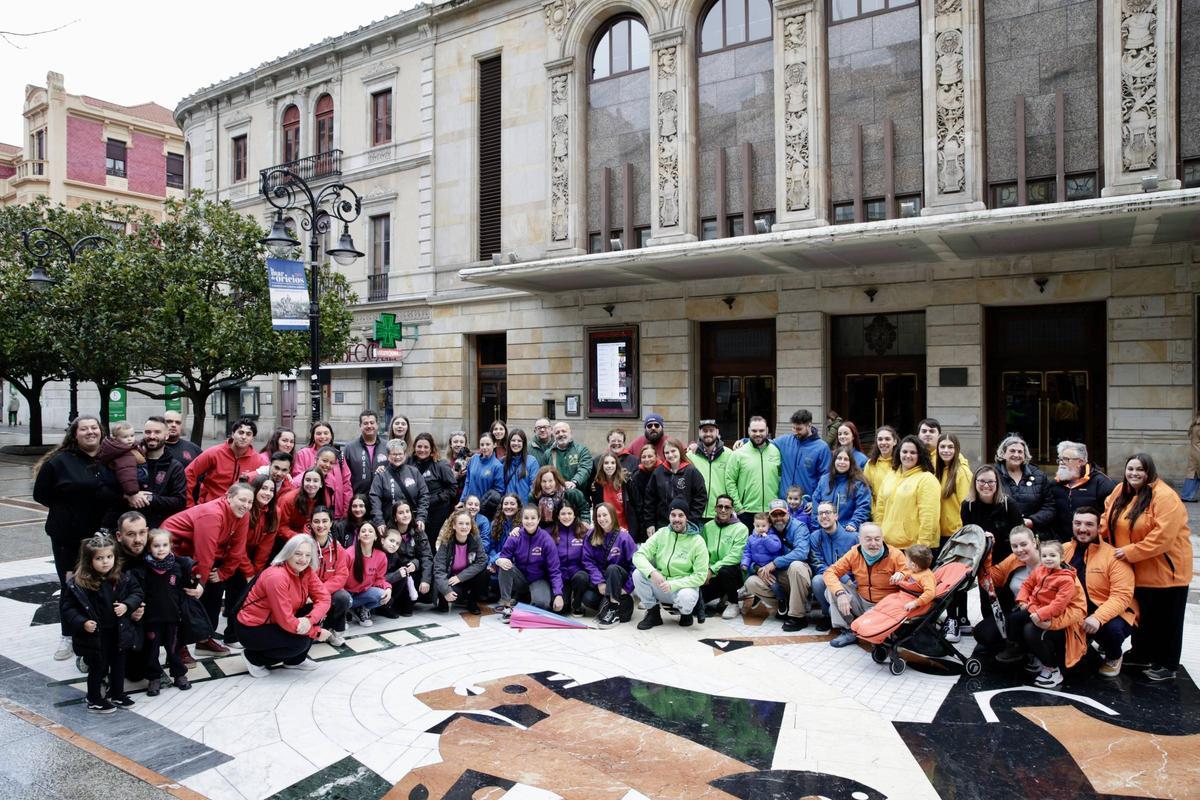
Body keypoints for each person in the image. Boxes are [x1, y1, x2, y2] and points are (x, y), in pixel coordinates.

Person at [34, 416, 122, 661]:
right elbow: (41, 494)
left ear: (101, 432)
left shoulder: (112, 460)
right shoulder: (59, 462)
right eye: (84, 429)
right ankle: (69, 635)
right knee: (71, 585)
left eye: (94, 428)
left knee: (101, 585)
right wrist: (68, 511)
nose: (90, 432)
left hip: (102, 537)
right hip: (68, 537)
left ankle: (96, 635)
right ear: (75, 434)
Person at [1101, 453, 1192, 682]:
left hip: (1166, 572)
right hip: (1135, 568)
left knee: (1168, 621)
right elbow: (1106, 518)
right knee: (1143, 616)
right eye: (1130, 469)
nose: (1134, 474)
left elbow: (1163, 537)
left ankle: (1167, 663)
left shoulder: (1165, 496)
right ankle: (1142, 654)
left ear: (1149, 471)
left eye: (1139, 469)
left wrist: (1129, 551)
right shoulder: (1120, 491)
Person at [163, 482, 256, 655]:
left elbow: (238, 548)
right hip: (172, 551)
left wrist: (224, 573)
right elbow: (204, 552)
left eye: (250, 502)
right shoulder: (212, 513)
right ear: (228, 497)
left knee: (215, 590)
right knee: (187, 596)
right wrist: (200, 582)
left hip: (199, 554)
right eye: (242, 500)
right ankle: (178, 646)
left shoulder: (243, 514)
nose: (246, 505)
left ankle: (204, 639)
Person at [60, 534, 143, 713]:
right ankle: (94, 698)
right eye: (99, 558)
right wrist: (83, 623)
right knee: (98, 667)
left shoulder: (122, 577)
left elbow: (137, 593)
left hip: (119, 631)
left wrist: (127, 606)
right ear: (89, 560)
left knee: (119, 665)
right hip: (95, 635)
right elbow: (68, 609)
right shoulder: (78, 584)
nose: (105, 562)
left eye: (109, 557)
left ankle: (117, 694)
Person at [236, 534, 332, 678]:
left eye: (307, 555)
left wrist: (309, 620)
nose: (303, 559)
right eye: (298, 554)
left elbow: (324, 598)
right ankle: (253, 658)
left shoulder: (306, 571)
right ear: (287, 553)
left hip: (277, 621)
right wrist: (316, 633)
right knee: (300, 642)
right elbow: (285, 621)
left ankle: (295, 661)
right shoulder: (276, 577)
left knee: (315, 613)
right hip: (253, 628)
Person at [1062, 506, 1137, 677]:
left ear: (1099, 528)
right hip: (1077, 609)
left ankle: (1114, 656)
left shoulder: (1114, 556)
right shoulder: (1063, 550)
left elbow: (1122, 596)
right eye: (1078, 523)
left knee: (1111, 630)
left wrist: (1098, 618)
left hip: (1111, 612)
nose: (1082, 529)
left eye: (1089, 524)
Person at [997, 539, 1081, 689]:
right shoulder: (1040, 570)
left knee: (1031, 631)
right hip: (1034, 608)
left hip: (1052, 616)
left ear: (1062, 558)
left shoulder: (1066, 579)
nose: (1048, 559)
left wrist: (1040, 614)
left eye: (1052, 555)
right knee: (1013, 620)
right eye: (1045, 556)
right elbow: (1027, 585)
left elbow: (1059, 605)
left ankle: (1052, 669)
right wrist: (1022, 600)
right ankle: (1025, 652)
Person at [822, 523, 907, 648]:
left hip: (885, 606)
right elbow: (830, 572)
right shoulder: (854, 553)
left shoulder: (895, 555)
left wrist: (902, 573)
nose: (873, 543)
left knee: (881, 637)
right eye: (868, 539)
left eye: (877, 539)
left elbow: (912, 573)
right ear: (860, 540)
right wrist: (840, 594)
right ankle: (848, 630)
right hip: (861, 601)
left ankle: (876, 632)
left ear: (882, 539)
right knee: (831, 590)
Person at [134, 529, 196, 695]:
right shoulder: (144, 569)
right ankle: (154, 677)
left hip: (173, 617)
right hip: (152, 618)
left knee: (174, 647)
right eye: (156, 545)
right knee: (152, 649)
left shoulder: (177, 567)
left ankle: (179, 674)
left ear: (170, 546)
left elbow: (183, 589)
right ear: (149, 548)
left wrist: (194, 584)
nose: (161, 549)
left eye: (164, 545)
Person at [632, 498, 710, 629]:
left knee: (686, 597)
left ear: (687, 517)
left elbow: (700, 576)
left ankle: (686, 613)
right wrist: (653, 573)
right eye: (673, 515)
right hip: (661, 583)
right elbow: (638, 555)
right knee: (637, 574)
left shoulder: (697, 541)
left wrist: (673, 584)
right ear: (669, 516)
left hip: (682, 587)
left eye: (681, 515)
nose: (677, 519)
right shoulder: (662, 533)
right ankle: (653, 613)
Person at [972, 527, 1044, 662]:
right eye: (1014, 546)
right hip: (1016, 611)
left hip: (1044, 613)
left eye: (1024, 544)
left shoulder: (1049, 559)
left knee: (1025, 625)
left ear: (1034, 542)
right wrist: (987, 551)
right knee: (982, 632)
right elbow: (989, 580)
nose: (1019, 550)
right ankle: (1020, 649)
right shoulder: (1014, 559)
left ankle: (1041, 656)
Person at [742, 500, 812, 631]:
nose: (779, 518)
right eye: (775, 515)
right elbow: (752, 553)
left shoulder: (799, 527)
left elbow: (802, 552)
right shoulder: (765, 529)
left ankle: (798, 616)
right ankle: (785, 607)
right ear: (770, 517)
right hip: (778, 576)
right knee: (751, 582)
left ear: (789, 513)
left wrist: (774, 563)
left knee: (796, 566)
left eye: (782, 514)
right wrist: (757, 568)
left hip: (797, 575)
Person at [495, 504, 564, 620]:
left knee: (541, 604)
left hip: (538, 579)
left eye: (533, 518)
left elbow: (554, 570)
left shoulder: (546, 540)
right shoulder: (515, 537)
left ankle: (524, 599)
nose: (529, 521)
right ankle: (506, 604)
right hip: (520, 578)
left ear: (538, 519)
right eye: (526, 518)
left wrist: (558, 594)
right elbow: (504, 556)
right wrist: (498, 560)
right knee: (504, 563)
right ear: (521, 519)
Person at [935, 433, 972, 639]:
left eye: (950, 447)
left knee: (952, 582)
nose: (946, 450)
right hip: (943, 534)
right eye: (943, 447)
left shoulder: (961, 472)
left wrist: (962, 534)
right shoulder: (940, 471)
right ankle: (963, 619)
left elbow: (967, 506)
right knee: (955, 581)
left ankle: (954, 622)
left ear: (956, 449)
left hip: (956, 536)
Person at [582, 502, 638, 627]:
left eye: (605, 515)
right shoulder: (591, 535)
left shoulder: (624, 537)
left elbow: (636, 564)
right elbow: (587, 561)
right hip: (603, 583)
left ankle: (613, 609)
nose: (602, 519)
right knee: (588, 599)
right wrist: (599, 582)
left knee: (612, 569)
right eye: (598, 516)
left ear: (612, 515)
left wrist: (627, 588)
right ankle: (617, 604)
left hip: (619, 580)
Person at [125, 417, 187, 529]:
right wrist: (128, 496)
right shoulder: (130, 460)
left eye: (157, 432)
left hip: (161, 532)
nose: (152, 436)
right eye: (148, 432)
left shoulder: (175, 467)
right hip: (132, 529)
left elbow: (180, 502)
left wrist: (150, 498)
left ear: (166, 435)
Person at [880, 436, 940, 550]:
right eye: (904, 451)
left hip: (914, 549)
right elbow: (880, 509)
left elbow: (929, 516)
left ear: (920, 455)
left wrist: (922, 545)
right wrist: (878, 535)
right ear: (899, 453)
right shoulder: (890, 475)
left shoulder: (927, 479)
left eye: (913, 452)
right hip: (888, 545)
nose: (908, 455)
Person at [1049, 441, 1116, 542]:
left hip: (1093, 543)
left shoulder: (1102, 483)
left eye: (1066, 459)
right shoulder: (1054, 484)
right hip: (1062, 546)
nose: (1061, 462)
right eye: (1060, 459)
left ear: (1080, 462)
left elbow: (1111, 515)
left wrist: (1097, 536)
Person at [184, 418, 259, 506]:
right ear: (233, 434)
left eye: (248, 434)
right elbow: (189, 473)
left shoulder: (258, 460)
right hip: (210, 507)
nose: (243, 437)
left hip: (240, 510)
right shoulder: (214, 453)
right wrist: (189, 504)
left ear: (253, 438)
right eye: (240, 432)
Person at [808, 501, 858, 631]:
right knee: (817, 580)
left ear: (836, 516)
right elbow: (817, 563)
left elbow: (858, 565)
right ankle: (827, 614)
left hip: (850, 583)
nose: (824, 516)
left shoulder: (852, 537)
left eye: (827, 512)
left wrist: (847, 579)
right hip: (829, 579)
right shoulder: (815, 537)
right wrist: (839, 577)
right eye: (820, 513)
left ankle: (849, 618)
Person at [960, 464, 1026, 563]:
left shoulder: (1009, 504)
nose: (986, 485)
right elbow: (967, 535)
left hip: (1006, 559)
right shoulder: (967, 505)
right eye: (982, 481)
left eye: (990, 481)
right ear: (975, 482)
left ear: (997, 483)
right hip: (979, 559)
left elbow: (1020, 532)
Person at [698, 494, 749, 620]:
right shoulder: (708, 526)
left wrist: (712, 569)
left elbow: (735, 557)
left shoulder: (741, 528)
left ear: (732, 510)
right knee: (695, 602)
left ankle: (733, 602)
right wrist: (703, 570)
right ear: (715, 508)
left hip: (732, 573)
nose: (723, 510)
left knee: (725, 570)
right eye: (720, 506)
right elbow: (701, 552)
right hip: (710, 574)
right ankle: (722, 594)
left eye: (727, 507)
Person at [995, 434, 1055, 539]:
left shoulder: (1039, 476)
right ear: (1003, 454)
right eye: (1012, 451)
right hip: (1002, 535)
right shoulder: (992, 475)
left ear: (1025, 455)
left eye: (1020, 452)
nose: (1016, 455)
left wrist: (1032, 521)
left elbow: (1049, 506)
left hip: (1033, 534)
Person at [726, 416, 782, 529]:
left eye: (761, 430)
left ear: (767, 430)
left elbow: (780, 477)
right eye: (754, 431)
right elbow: (730, 481)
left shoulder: (776, 451)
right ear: (748, 431)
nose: (758, 434)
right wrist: (738, 508)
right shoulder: (738, 453)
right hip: (747, 512)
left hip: (772, 510)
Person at [307, 507, 351, 647]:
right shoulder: (305, 546)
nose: (321, 525)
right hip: (307, 592)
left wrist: (321, 590)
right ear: (311, 524)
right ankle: (311, 631)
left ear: (331, 523)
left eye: (325, 521)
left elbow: (341, 576)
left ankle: (333, 632)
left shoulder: (338, 549)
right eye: (317, 521)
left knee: (343, 597)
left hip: (327, 591)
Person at [644, 438, 707, 534]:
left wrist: (690, 519)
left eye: (673, 451)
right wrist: (650, 523)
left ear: (680, 451)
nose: (670, 455)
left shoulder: (691, 471)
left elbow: (701, 497)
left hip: (686, 525)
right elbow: (650, 500)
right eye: (667, 452)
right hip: (663, 524)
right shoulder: (658, 473)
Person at [433, 509, 490, 614]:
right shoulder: (446, 542)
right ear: (454, 525)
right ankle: (443, 598)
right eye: (460, 523)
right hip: (451, 579)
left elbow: (482, 561)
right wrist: (446, 590)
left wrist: (461, 577)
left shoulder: (476, 538)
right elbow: (438, 569)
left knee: (484, 573)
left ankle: (472, 601)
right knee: (448, 591)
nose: (464, 527)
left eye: (467, 523)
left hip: (466, 578)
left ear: (471, 525)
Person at [369, 439, 430, 535]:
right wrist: (379, 521)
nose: (397, 457)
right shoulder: (381, 475)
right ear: (388, 456)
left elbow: (424, 495)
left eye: (400, 454)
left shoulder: (414, 472)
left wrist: (421, 517)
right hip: (389, 523)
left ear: (405, 455)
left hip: (412, 523)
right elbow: (375, 498)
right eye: (394, 454)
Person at [382, 502, 433, 615]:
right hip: (395, 574)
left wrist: (425, 579)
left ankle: (411, 600)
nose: (405, 515)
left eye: (407, 511)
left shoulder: (418, 532)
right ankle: (390, 603)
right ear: (395, 517)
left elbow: (426, 557)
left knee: (430, 574)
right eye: (401, 513)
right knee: (401, 578)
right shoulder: (389, 533)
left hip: (413, 572)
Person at [411, 433, 459, 550]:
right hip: (415, 509)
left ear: (432, 449)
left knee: (429, 542)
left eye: (426, 447)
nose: (422, 450)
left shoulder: (441, 465)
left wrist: (437, 498)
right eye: (419, 446)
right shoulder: (409, 464)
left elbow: (452, 488)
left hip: (436, 511)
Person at [774, 409, 831, 500]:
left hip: (806, 505)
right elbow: (765, 444)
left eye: (799, 429)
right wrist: (746, 441)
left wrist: (815, 502)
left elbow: (826, 479)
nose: (795, 432)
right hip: (785, 503)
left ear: (809, 425)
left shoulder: (822, 448)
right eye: (793, 428)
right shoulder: (784, 441)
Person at [811, 446, 871, 532]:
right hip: (824, 530)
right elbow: (816, 502)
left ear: (851, 463)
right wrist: (816, 526)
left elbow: (863, 506)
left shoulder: (859, 483)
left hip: (847, 530)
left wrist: (854, 523)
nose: (842, 462)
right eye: (839, 458)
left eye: (846, 459)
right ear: (834, 461)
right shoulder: (824, 480)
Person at [343, 522, 392, 627]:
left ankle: (362, 610)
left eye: (370, 531)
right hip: (346, 592)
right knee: (346, 600)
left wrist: (388, 588)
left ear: (375, 537)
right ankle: (342, 613)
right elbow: (339, 578)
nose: (366, 533)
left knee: (382, 595)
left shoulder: (381, 556)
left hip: (363, 593)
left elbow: (380, 579)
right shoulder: (348, 554)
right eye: (363, 531)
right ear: (359, 536)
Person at [687, 419, 734, 521]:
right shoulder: (690, 455)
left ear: (717, 433)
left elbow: (733, 482)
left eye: (711, 430)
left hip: (720, 512)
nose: (708, 434)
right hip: (696, 512)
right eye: (704, 431)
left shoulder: (729, 454)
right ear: (699, 433)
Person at [550, 504, 589, 615]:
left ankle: (577, 604)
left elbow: (601, 533)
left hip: (578, 575)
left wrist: (620, 530)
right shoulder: (551, 533)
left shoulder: (584, 531)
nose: (566, 517)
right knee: (560, 610)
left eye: (569, 513)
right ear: (557, 516)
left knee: (582, 577)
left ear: (575, 515)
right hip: (560, 577)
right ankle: (566, 599)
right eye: (563, 514)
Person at [295, 445, 353, 518]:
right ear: (316, 460)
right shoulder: (300, 480)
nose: (327, 465)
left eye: (331, 463)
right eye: (324, 461)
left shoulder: (332, 480)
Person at [590, 451, 640, 535]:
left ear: (617, 465)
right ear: (602, 465)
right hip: (606, 531)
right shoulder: (597, 486)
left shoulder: (626, 482)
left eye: (613, 463)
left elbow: (637, 506)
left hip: (626, 531)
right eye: (606, 463)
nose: (609, 466)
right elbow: (597, 510)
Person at [343, 411, 389, 497]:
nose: (369, 426)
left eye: (372, 423)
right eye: (365, 423)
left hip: (382, 497)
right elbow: (345, 476)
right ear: (360, 426)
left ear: (377, 425)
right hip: (358, 499)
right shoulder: (350, 448)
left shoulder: (387, 446)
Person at [97, 421, 145, 502]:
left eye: (132, 436)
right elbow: (127, 473)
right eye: (125, 437)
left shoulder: (127, 447)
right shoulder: (124, 454)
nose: (130, 439)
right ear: (115, 438)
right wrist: (132, 491)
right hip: (132, 491)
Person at [741, 513, 783, 601]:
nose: (760, 528)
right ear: (754, 525)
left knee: (774, 585)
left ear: (769, 525)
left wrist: (766, 538)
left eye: (763, 526)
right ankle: (752, 594)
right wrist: (745, 563)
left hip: (771, 569)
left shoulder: (773, 536)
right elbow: (747, 552)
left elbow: (775, 548)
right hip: (757, 567)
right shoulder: (751, 538)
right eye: (758, 526)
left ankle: (781, 599)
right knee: (747, 578)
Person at [244, 474, 280, 574]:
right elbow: (238, 546)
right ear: (254, 489)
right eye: (264, 488)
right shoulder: (245, 509)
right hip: (235, 558)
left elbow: (265, 548)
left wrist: (255, 572)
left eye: (271, 490)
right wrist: (248, 572)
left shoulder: (275, 512)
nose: (268, 493)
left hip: (253, 560)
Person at [278, 469, 329, 539]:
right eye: (308, 480)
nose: (311, 484)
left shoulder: (323, 499)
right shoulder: (289, 499)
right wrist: (302, 538)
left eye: (315, 481)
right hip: (287, 540)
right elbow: (281, 527)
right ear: (303, 482)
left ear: (321, 484)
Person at [459, 433, 504, 511]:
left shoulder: (498, 466)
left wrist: (481, 505)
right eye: (482, 444)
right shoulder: (473, 459)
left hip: (485, 509)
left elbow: (499, 491)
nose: (484, 447)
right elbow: (467, 482)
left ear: (494, 445)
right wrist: (462, 500)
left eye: (488, 444)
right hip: (469, 506)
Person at [863, 425, 899, 520]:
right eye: (880, 439)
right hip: (877, 515)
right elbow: (867, 492)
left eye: (887, 439)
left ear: (894, 441)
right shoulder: (870, 464)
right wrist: (875, 513)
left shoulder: (902, 464)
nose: (883, 442)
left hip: (898, 514)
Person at [548, 421, 593, 494]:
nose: (561, 434)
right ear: (554, 436)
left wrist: (574, 482)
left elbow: (585, 469)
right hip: (556, 496)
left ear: (570, 433)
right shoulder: (548, 453)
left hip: (579, 495)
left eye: (564, 431)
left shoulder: (582, 450)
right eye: (557, 432)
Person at [890, 544, 936, 613]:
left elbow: (930, 593)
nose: (905, 562)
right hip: (906, 594)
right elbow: (909, 575)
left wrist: (915, 603)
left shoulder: (926, 577)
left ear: (913, 565)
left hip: (914, 599)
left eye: (906, 560)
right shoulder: (914, 571)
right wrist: (901, 576)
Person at [628, 444, 660, 542]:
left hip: (662, 519)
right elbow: (638, 505)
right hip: (644, 522)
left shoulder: (663, 472)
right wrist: (646, 524)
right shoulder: (636, 477)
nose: (647, 459)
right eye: (643, 457)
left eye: (650, 456)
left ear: (656, 456)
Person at [502, 429, 541, 504]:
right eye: (513, 440)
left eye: (519, 441)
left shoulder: (532, 461)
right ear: (509, 442)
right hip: (508, 506)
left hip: (525, 507)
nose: (516, 443)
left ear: (524, 443)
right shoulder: (503, 461)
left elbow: (534, 486)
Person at [446, 430, 472, 497]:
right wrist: (455, 477)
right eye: (455, 442)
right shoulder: (445, 462)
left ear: (465, 444)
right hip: (451, 497)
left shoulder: (471, 460)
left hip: (467, 497)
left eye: (461, 442)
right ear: (450, 444)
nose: (458, 444)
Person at [1185, 416, 1200, 502]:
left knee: (1193, 474)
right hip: (1198, 452)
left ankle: (1186, 495)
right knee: (1193, 475)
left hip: (1195, 452)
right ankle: (1186, 495)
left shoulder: (1195, 425)